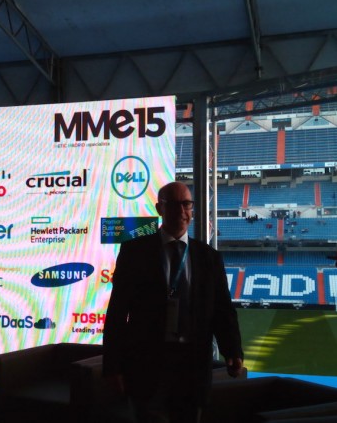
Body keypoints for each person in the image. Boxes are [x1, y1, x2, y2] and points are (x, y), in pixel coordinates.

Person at [103, 181, 244, 423]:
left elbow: (222, 309)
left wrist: (232, 350)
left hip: (193, 369)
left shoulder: (209, 257)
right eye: (174, 205)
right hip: (147, 367)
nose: (181, 211)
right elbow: (117, 313)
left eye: (186, 204)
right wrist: (113, 366)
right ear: (160, 208)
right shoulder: (134, 252)